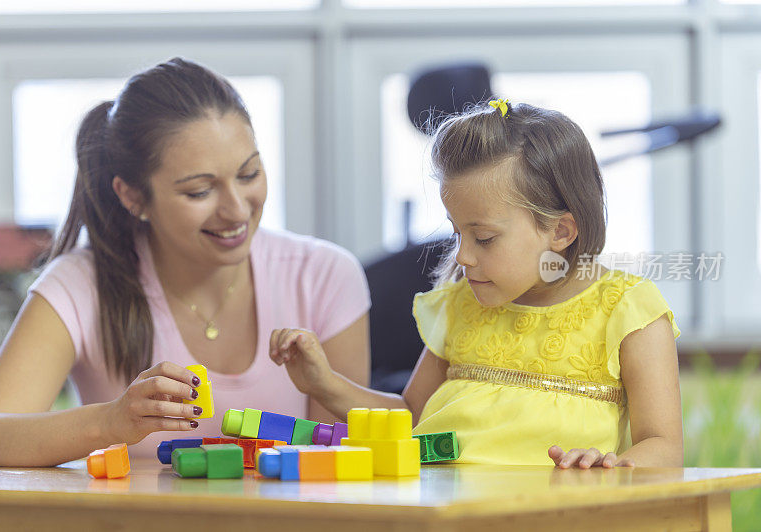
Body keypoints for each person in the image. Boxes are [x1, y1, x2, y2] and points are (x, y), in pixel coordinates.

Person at [0, 57, 370, 467]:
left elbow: (338, 465)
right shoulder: (81, 284)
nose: (236, 210)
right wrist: (111, 421)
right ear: (133, 197)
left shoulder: (325, 276)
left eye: (248, 175)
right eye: (199, 191)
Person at [269, 100, 683, 468]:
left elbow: (663, 446)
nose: (464, 256)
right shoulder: (458, 305)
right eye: (456, 234)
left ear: (560, 232)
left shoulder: (628, 309)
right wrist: (322, 383)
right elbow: (411, 414)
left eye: (483, 238)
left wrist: (611, 466)